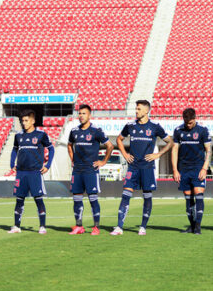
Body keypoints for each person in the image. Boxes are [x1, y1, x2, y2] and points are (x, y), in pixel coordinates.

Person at [111, 100, 173, 236]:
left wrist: (158, 154)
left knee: (147, 197)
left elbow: (170, 142)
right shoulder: (130, 126)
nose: (136, 111)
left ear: (146, 111)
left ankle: (143, 227)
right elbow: (119, 139)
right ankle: (119, 227)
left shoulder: (155, 127)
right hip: (133, 167)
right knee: (125, 195)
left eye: (139, 109)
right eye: (136, 109)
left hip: (147, 168)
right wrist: (125, 154)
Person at [67, 104, 113, 235]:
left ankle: (96, 227)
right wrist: (72, 159)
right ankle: (78, 226)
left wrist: (103, 161)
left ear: (89, 115)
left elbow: (109, 146)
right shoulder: (74, 131)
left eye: (84, 113)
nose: (81, 116)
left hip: (90, 170)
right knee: (76, 199)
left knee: (93, 198)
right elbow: (69, 145)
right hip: (77, 170)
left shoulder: (96, 130)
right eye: (79, 113)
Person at [7, 109, 55, 235]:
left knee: (38, 199)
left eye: (26, 120)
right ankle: (17, 226)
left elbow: (51, 149)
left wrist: (48, 165)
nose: (24, 123)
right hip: (21, 173)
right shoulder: (18, 135)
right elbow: (14, 150)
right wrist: (12, 164)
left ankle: (42, 226)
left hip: (35, 173)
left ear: (33, 121)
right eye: (22, 121)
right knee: (19, 200)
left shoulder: (41, 134)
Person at [172, 107, 212, 235]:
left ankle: (198, 227)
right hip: (184, 169)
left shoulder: (202, 130)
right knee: (188, 198)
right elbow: (174, 150)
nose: (188, 125)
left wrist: (205, 168)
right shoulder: (178, 131)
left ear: (195, 119)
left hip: (198, 168)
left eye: (190, 123)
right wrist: (175, 170)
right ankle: (192, 226)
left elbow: (209, 150)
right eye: (186, 123)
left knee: (199, 194)